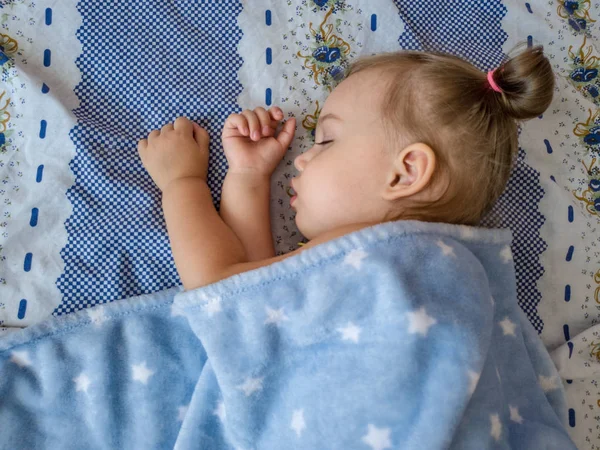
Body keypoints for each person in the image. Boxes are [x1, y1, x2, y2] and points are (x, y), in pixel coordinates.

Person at [137, 44, 554, 292]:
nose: (302, 156)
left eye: (328, 140)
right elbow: (253, 297)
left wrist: (182, 181)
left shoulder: (380, 256)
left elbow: (223, 290)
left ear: (405, 173)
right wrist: (248, 177)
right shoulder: (411, 260)